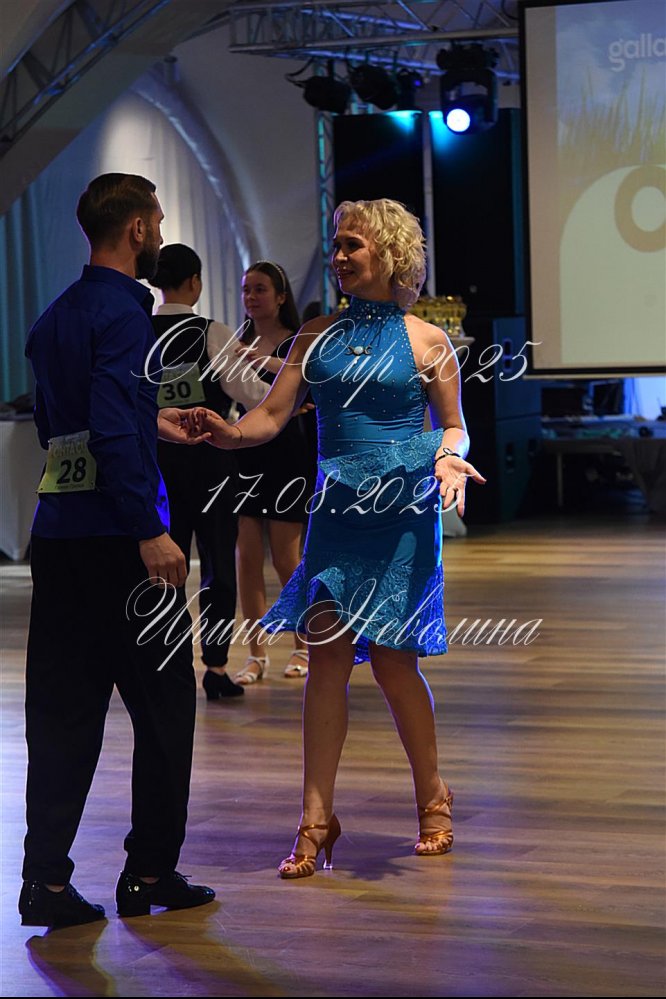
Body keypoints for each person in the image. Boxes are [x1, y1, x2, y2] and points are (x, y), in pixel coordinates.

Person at [188, 198, 485, 878]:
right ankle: (316, 818)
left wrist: (447, 456)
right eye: (337, 243)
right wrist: (227, 433)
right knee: (325, 659)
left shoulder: (427, 340)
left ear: (390, 253)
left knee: (394, 664)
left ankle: (433, 796)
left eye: (353, 243)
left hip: (402, 515)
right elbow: (269, 416)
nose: (340, 255)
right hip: (337, 515)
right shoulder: (313, 335)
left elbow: (455, 425)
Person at [20, 174, 215, 928]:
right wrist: (147, 528)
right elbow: (105, 425)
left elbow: (59, 426)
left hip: (59, 535)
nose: (160, 231)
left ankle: (45, 881)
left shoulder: (53, 317)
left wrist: (152, 425)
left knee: (61, 713)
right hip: (122, 542)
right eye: (156, 219)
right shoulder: (128, 314)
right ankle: (149, 872)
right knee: (165, 707)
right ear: (136, 229)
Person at [150, 243, 270, 700]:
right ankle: (216, 667)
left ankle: (167, 662)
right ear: (195, 282)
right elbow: (251, 393)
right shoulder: (210, 332)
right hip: (211, 460)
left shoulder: (140, 332)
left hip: (157, 463)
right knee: (219, 564)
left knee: (164, 565)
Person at [232, 261, 317, 683]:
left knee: (287, 558)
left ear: (281, 297)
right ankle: (256, 654)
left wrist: (262, 362)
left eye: (260, 289)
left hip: (288, 455)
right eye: (246, 289)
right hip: (245, 455)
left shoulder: (297, 343)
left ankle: (304, 644)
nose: (251, 297)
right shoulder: (236, 342)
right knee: (246, 557)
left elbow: (306, 397)